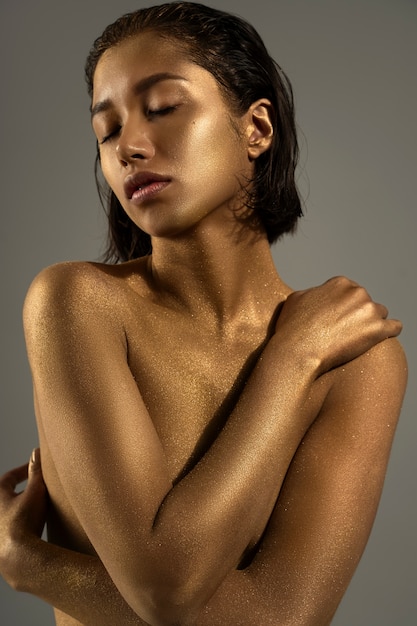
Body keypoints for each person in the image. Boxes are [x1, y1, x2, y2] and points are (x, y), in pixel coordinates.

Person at [0, 2, 407, 625]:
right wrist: (289, 361)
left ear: (257, 129)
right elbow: (165, 587)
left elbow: (286, 620)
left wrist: (36, 568)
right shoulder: (76, 304)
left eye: (163, 107)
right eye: (106, 132)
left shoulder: (360, 359)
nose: (129, 147)